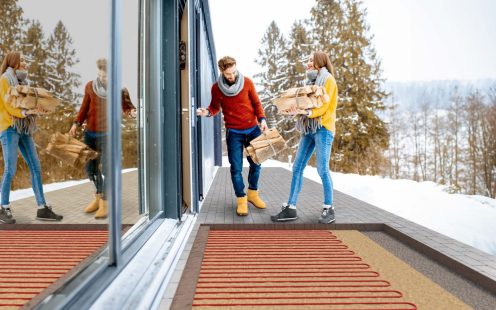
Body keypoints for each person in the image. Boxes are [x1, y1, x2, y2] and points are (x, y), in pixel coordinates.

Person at [271, 51, 338, 224]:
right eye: (307, 60)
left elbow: (324, 107)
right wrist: (294, 111)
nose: (307, 63)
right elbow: (304, 107)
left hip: (323, 128)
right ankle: (291, 208)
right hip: (309, 128)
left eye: (310, 60)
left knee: (322, 169)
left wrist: (306, 111)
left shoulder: (328, 80)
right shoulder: (309, 83)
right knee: (297, 167)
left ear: (319, 62)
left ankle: (329, 208)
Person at [197, 56, 268, 216]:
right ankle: (241, 199)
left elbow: (257, 104)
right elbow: (214, 107)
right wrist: (206, 112)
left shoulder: (247, 83)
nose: (232, 76)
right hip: (234, 133)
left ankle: (252, 193)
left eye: (234, 72)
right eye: (228, 74)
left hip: (253, 130)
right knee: (236, 168)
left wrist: (262, 119)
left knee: (256, 164)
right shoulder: (216, 88)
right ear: (222, 71)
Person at [0, 51, 63, 224]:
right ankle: (3, 207)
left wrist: (37, 110)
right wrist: (27, 111)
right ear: (14, 62)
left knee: (35, 165)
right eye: (23, 60)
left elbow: (28, 105)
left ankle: (42, 208)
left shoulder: (24, 83)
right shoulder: (4, 80)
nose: (25, 63)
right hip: (9, 128)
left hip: (24, 129)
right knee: (10, 168)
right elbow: (9, 106)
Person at [69, 58, 135, 219]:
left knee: (106, 169)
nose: (102, 78)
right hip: (90, 134)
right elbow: (84, 107)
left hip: (108, 135)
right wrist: (76, 124)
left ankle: (105, 202)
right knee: (90, 169)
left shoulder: (120, 90)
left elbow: (128, 108)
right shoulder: (90, 86)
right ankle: (98, 197)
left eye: (105, 76)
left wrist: (132, 113)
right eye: (100, 75)